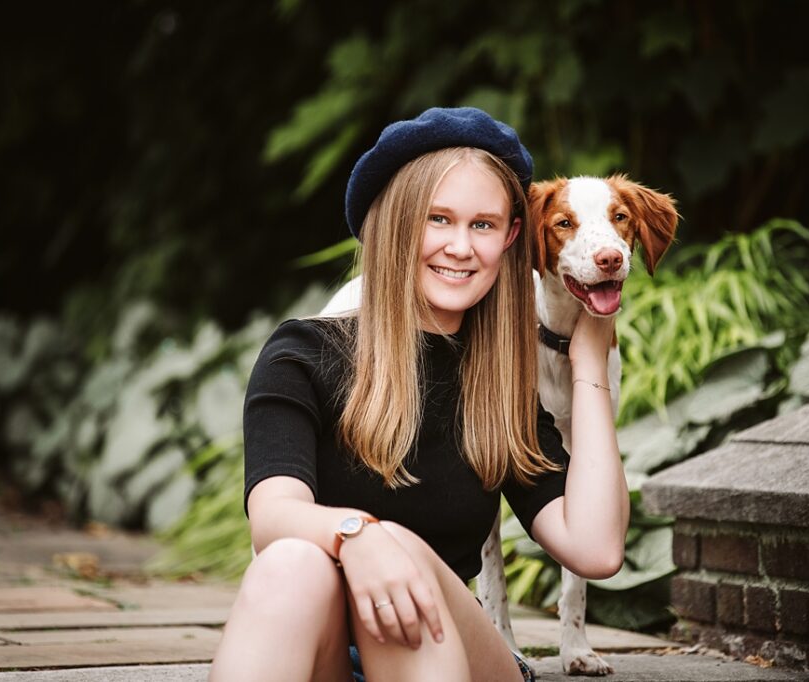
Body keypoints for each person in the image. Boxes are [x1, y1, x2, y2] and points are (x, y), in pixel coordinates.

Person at [209, 107, 628, 682]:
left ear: (511, 238)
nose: (460, 246)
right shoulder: (301, 356)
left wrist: (589, 359)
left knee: (386, 563)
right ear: (392, 225)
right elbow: (274, 518)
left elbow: (597, 548)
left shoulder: (496, 388)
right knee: (289, 565)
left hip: (449, 646)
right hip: (326, 641)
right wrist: (363, 538)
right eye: (437, 219)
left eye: (482, 225)